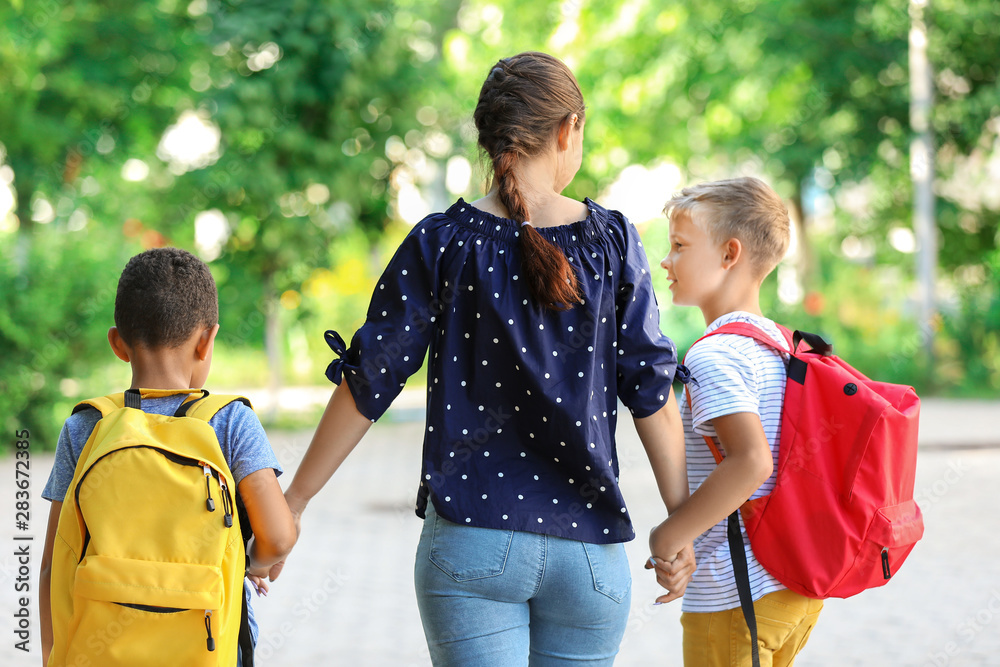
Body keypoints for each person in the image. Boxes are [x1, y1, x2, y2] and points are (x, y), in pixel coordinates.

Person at [274, 51, 694, 665]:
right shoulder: (612, 240)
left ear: (489, 137)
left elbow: (370, 382)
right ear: (566, 130)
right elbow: (650, 393)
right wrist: (679, 526)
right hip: (589, 555)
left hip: (471, 540)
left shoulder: (441, 242)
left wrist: (296, 501)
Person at [38, 247, 297, 666]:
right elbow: (279, 537)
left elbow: (53, 565)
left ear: (118, 344)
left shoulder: (86, 426)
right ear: (207, 340)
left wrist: (53, 655)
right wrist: (250, 564)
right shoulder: (230, 421)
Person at [649, 177, 824, 666]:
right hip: (792, 587)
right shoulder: (783, 348)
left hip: (734, 589)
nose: (666, 261)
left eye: (680, 246)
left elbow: (751, 463)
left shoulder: (715, 355)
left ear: (730, 254)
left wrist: (671, 535)